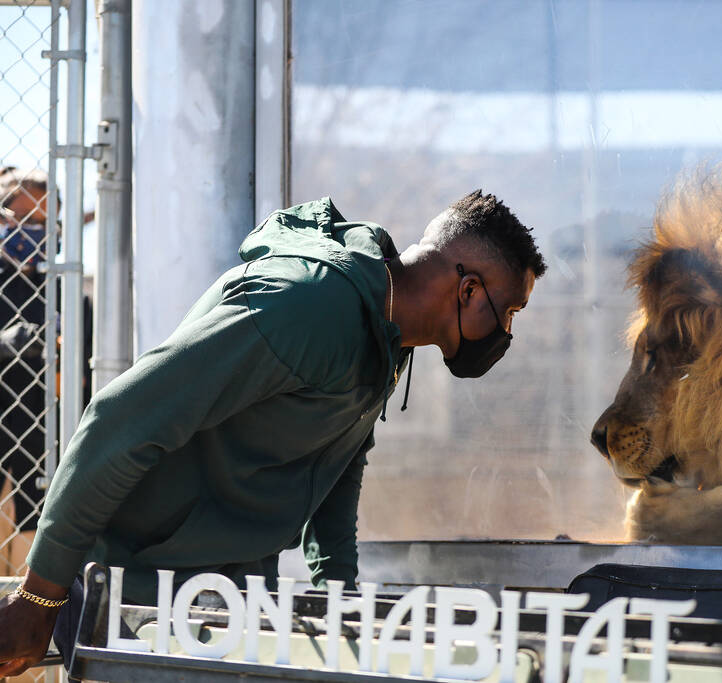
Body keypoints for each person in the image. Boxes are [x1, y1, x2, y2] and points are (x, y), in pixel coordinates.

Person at [0, 190, 546, 677]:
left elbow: (338, 468)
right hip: (133, 596)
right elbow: (120, 421)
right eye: (510, 312)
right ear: (470, 290)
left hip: (215, 599)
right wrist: (39, 596)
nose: (506, 333)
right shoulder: (307, 306)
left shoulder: (386, 335)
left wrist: (341, 603)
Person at [0, 167, 51, 578]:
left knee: (34, 520)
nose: (34, 232)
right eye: (23, 219)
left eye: (43, 222)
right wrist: (8, 343)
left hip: (39, 429)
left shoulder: (60, 285)